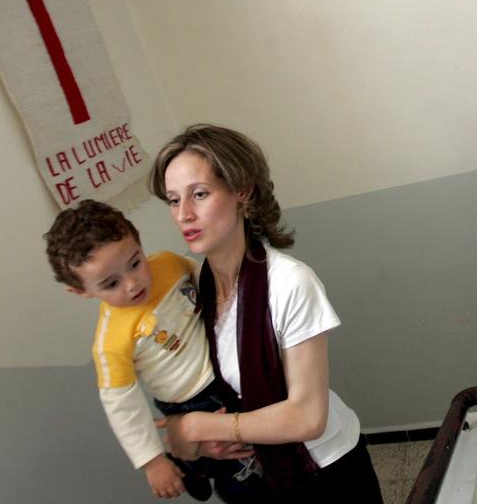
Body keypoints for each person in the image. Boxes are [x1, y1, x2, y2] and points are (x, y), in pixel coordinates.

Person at [149, 124, 384, 503]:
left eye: (200, 194)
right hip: (258, 474)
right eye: (174, 200)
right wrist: (204, 441)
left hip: (325, 470)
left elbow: (308, 417)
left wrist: (195, 425)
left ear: (242, 190)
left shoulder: (289, 282)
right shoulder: (193, 288)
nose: (183, 215)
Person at [43, 200, 254, 501]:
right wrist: (152, 462)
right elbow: (122, 406)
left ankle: (193, 464)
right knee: (239, 464)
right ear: (82, 291)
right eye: (111, 283)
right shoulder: (109, 342)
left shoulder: (170, 265)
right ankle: (196, 467)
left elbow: (213, 288)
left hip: (227, 368)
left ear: (139, 243)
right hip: (188, 401)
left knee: (263, 436)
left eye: (135, 262)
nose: (132, 283)